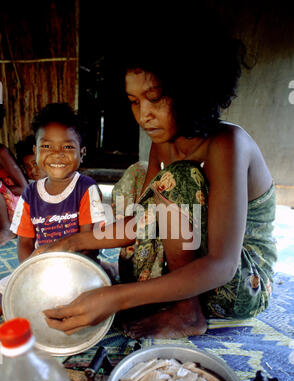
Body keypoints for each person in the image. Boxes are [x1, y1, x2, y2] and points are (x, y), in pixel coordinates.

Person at [34, 31, 277, 339]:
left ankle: (189, 312)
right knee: (140, 192)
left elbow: (223, 265)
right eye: (134, 102)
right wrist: (71, 242)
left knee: (180, 178)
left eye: (155, 98)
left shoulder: (229, 144)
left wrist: (117, 297)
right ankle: (171, 298)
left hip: (238, 281)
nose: (143, 115)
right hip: (198, 266)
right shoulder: (162, 144)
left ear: (192, 90)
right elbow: (143, 221)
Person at [10, 102, 105, 263]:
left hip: (79, 266)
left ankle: (108, 269)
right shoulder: (29, 194)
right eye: (47, 146)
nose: (57, 154)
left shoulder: (86, 189)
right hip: (43, 267)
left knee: (100, 285)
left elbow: (88, 242)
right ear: (36, 151)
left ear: (82, 153)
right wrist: (28, 272)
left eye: (67, 147)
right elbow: (25, 242)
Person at [0, 144, 28, 246]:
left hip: (15, 207)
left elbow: (24, 189)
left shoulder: (1, 152)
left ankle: (7, 229)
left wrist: (2, 188)